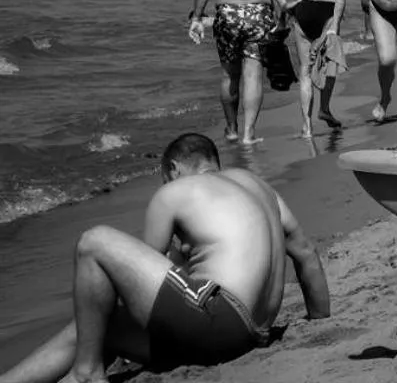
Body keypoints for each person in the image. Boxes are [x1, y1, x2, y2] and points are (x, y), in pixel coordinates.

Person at [0, 134, 328, 383]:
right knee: (99, 325)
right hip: (253, 332)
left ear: (173, 170)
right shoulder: (258, 187)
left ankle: (86, 374)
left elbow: (135, 284)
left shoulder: (176, 191)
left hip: (218, 318)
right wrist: (321, 323)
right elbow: (307, 255)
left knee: (94, 242)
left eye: (165, 178)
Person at [187, 0, 285, 146]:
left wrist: (196, 18)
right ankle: (249, 134)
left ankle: (231, 129)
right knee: (253, 75)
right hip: (258, 13)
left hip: (227, 13)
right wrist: (283, 20)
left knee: (229, 74)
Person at [270, 0, 347, 138]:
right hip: (327, 12)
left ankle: (307, 127)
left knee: (305, 71)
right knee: (329, 64)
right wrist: (336, 22)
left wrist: (284, 4)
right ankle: (324, 108)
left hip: (302, 9)